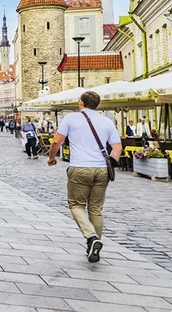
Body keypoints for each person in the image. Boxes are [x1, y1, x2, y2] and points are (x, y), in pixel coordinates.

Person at [48, 91, 122, 263]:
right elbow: (117, 148)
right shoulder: (106, 121)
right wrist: (111, 165)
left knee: (76, 204)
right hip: (102, 169)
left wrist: (51, 157)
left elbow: (56, 141)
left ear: (81, 102)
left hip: (80, 167)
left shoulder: (71, 118)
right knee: (96, 209)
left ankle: (91, 238)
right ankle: (93, 247)